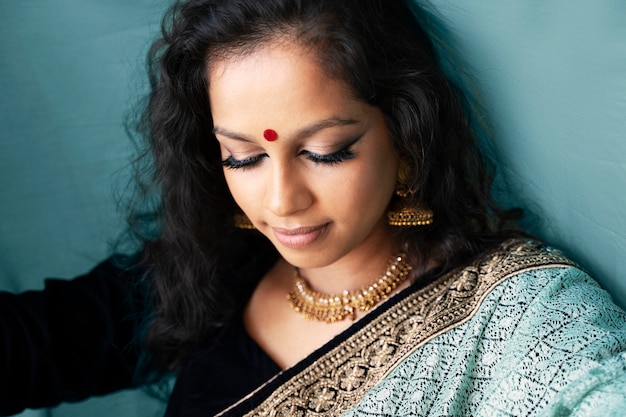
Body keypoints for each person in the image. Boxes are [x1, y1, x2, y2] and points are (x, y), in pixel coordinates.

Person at [2, 0, 626, 416]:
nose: (281, 202)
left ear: (406, 139)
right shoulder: (213, 271)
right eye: (242, 159)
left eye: (326, 152)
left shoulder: (517, 312)